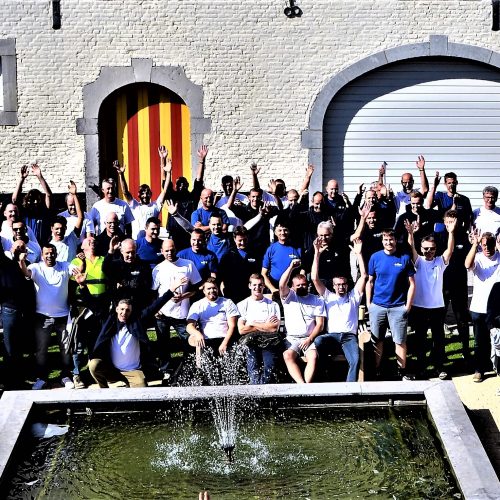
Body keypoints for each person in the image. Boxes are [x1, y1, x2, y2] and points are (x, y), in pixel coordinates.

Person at [85, 272, 187, 388]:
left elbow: (155, 306)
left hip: (133, 371)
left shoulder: (137, 321)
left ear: (131, 312)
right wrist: (83, 286)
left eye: (127, 310)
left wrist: (171, 290)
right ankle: (104, 389)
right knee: (94, 365)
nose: (124, 313)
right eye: (122, 309)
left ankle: (130, 382)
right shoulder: (109, 322)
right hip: (112, 370)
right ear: (117, 309)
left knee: (142, 390)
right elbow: (93, 306)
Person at [18, 244, 77, 390]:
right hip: (42, 317)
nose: (49, 256)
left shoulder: (65, 265)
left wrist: (80, 263)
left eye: (52, 253)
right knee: (42, 349)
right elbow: (26, 273)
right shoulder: (36, 267)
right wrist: (21, 261)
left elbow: (76, 271)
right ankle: (42, 378)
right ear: (42, 255)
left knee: (65, 348)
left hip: (63, 316)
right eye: (46, 253)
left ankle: (65, 376)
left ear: (56, 254)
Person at [406, 216, 456, 379]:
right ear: (421, 248)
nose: (429, 251)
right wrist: (411, 234)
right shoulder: (418, 261)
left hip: (437, 307)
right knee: (420, 340)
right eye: (426, 248)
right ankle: (421, 368)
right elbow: (411, 247)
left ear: (436, 249)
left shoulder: (440, 261)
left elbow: (450, 250)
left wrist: (451, 232)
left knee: (438, 339)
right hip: (419, 307)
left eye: (432, 249)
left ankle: (439, 367)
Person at [312, 238, 367, 382]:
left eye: (343, 284)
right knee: (318, 341)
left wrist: (359, 254)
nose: (341, 287)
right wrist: (317, 254)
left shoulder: (354, 296)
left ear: (347, 285)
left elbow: (364, 276)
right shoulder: (328, 296)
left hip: (349, 337)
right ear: (333, 286)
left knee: (355, 360)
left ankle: (349, 388)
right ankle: (325, 378)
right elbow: (314, 278)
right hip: (332, 337)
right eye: (338, 285)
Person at [366, 229, 415, 380]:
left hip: (398, 307)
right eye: (386, 240)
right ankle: (376, 370)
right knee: (377, 340)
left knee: (400, 341)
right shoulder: (375, 257)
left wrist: (408, 306)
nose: (389, 242)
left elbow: (412, 284)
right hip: (378, 306)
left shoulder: (405, 258)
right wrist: (368, 303)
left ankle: (402, 372)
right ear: (382, 241)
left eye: (391, 239)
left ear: (396, 240)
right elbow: (370, 281)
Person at [152, 239, 202, 381]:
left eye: (172, 250)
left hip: (182, 313)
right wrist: (156, 308)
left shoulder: (188, 264)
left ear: (176, 249)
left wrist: (184, 296)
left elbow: (197, 288)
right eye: (166, 250)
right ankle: (166, 371)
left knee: (188, 342)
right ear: (162, 251)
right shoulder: (158, 269)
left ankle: (187, 368)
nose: (169, 253)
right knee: (163, 343)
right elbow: (153, 292)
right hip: (163, 313)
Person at [279, 259, 326, 383]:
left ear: (308, 285)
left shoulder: (317, 300)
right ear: (292, 286)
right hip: (292, 338)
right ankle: (302, 385)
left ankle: (306, 386)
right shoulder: (288, 297)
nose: (301, 287)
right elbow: (282, 285)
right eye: (298, 285)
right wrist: (291, 267)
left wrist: (309, 339)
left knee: (313, 356)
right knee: (287, 355)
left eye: (303, 284)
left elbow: (320, 324)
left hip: (309, 338)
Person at [465, 230, 500, 382]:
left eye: (490, 245)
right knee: (480, 342)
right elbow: (467, 264)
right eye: (484, 245)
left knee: (498, 341)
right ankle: (479, 369)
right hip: (479, 307)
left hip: (496, 309)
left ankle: (497, 367)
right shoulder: (478, 257)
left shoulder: (499, 257)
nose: (487, 248)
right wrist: (475, 244)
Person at [0, 240, 36, 389]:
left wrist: (22, 262)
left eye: (23, 248)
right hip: (9, 309)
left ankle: (19, 380)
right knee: (9, 347)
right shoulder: (4, 262)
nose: (20, 249)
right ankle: (8, 381)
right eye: (17, 247)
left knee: (20, 347)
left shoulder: (27, 264)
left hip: (24, 311)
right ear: (11, 248)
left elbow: (29, 283)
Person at [114, 148, 170, 239]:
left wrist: (165, 164)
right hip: (136, 242)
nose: (145, 195)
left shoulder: (155, 206)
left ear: (151, 194)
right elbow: (125, 192)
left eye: (147, 193)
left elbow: (165, 190)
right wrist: (121, 174)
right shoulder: (135, 205)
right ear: (138, 195)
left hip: (151, 241)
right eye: (142, 193)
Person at [237, 274, 282, 384]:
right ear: (249, 286)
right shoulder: (242, 305)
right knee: (253, 367)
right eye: (254, 285)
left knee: (269, 367)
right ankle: (255, 389)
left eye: (260, 285)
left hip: (269, 341)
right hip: (250, 341)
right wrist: (265, 325)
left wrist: (252, 324)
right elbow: (241, 330)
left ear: (264, 286)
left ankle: (264, 388)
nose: (257, 287)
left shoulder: (273, 305)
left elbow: (274, 328)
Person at [166, 145, 208, 250]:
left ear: (187, 185)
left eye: (183, 183)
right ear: (175, 186)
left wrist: (201, 161)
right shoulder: (173, 196)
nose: (181, 186)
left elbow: (199, 180)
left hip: (188, 233)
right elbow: (165, 184)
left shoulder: (192, 197)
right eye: (179, 184)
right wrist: (167, 170)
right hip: (174, 233)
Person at [186, 278, 239, 355]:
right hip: (206, 341)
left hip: (225, 339)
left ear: (218, 289)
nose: (212, 291)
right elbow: (189, 326)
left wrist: (225, 343)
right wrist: (197, 333)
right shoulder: (197, 305)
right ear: (204, 291)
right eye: (209, 289)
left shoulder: (227, 302)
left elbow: (232, 326)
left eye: (214, 288)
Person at [102, 237, 152, 311]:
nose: (130, 255)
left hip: (138, 306)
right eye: (128, 252)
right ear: (121, 251)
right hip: (120, 307)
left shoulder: (144, 266)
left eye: (133, 252)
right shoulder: (116, 265)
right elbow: (105, 268)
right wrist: (111, 251)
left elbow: (147, 286)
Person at [303, 220, 351, 291]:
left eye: (326, 235)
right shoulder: (313, 249)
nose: (324, 238)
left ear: (332, 234)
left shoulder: (340, 247)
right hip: (319, 286)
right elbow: (304, 268)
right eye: (321, 235)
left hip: (338, 287)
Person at [219, 226, 262, 304]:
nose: (242, 243)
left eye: (245, 240)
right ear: (234, 239)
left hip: (250, 295)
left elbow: (259, 273)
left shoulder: (255, 254)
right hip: (232, 295)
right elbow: (221, 277)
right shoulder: (227, 255)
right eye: (240, 240)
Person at [12, 164, 53, 245]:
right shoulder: (24, 212)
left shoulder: (43, 212)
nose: (35, 202)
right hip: (27, 246)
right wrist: (21, 179)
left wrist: (40, 177)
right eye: (32, 199)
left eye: (37, 199)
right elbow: (14, 200)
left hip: (42, 246)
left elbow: (49, 195)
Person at [261, 220, 302, 297]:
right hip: (274, 288)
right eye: (279, 230)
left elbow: (302, 270)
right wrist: (273, 289)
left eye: (285, 230)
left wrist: (298, 286)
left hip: (292, 289)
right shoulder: (271, 249)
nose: (282, 233)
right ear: (275, 232)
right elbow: (263, 273)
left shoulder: (297, 248)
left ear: (289, 231)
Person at [48, 181, 84, 263]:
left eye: (62, 228)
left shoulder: (72, 238)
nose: (59, 231)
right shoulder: (49, 246)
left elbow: (80, 217)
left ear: (66, 228)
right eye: (57, 229)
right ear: (52, 228)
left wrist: (74, 195)